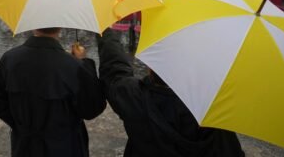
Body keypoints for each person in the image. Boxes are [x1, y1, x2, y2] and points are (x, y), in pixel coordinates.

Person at [97, 30, 244, 157]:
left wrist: (106, 32)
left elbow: (115, 73)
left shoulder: (136, 97)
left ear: (151, 68)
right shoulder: (209, 109)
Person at [0, 27, 106, 157]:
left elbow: (0, 105)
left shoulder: (9, 59)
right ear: (60, 27)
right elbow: (92, 109)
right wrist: (84, 62)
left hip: (24, 146)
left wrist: (22, 126)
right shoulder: (74, 66)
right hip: (65, 146)